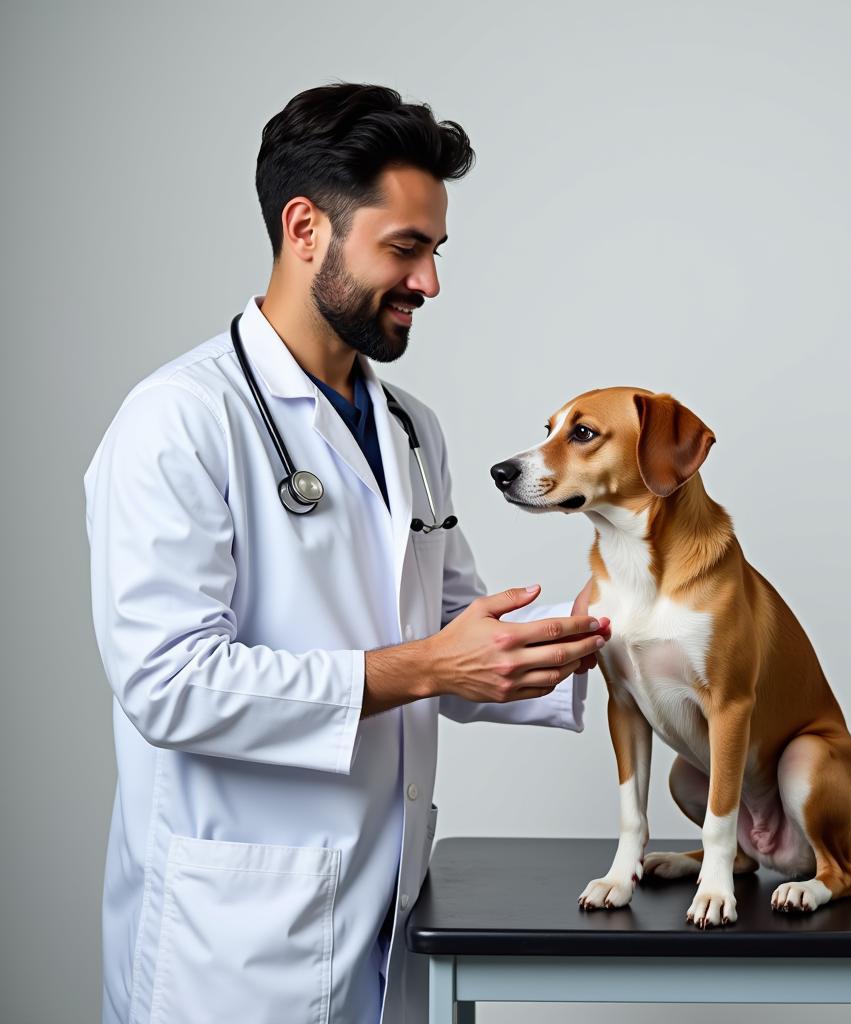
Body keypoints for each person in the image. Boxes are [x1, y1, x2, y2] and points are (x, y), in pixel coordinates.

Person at [83, 82, 611, 1024]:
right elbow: (167, 683)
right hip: (235, 944)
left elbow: (455, 631)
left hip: (391, 910)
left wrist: (632, 633)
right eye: (404, 248)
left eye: (436, 251)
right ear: (305, 228)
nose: (430, 282)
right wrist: (422, 667)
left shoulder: (411, 428)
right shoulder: (180, 421)